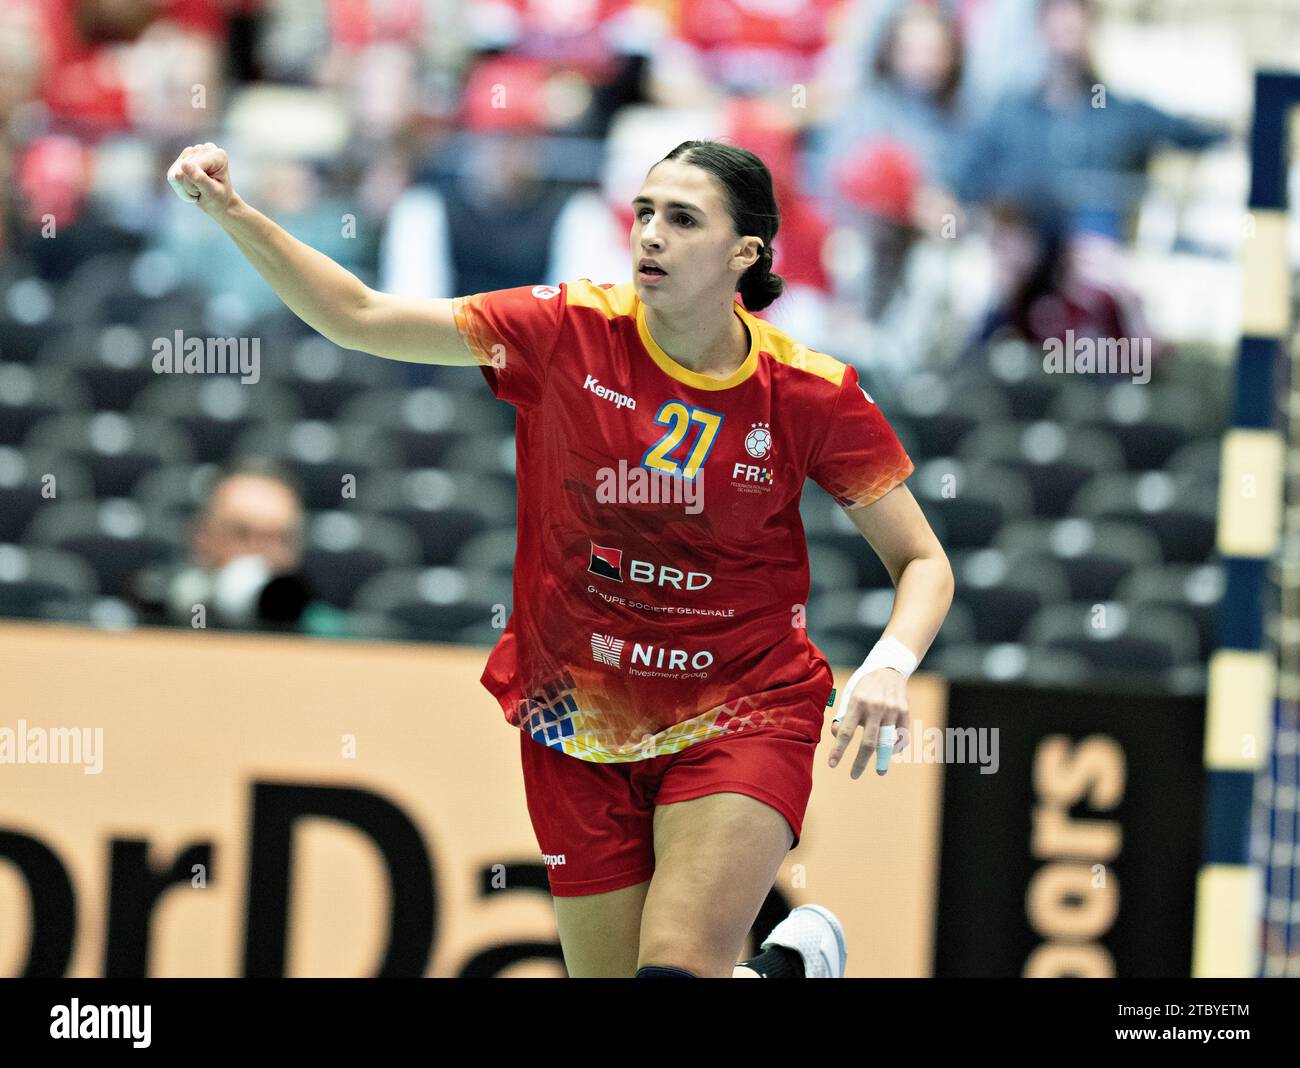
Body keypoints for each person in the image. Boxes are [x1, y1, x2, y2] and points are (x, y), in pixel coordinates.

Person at [166, 137, 954, 978]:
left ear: (744, 253)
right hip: (577, 717)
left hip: (742, 705)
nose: (650, 234)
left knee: (675, 972)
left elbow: (923, 563)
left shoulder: (808, 392)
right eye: (645, 211)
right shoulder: (563, 331)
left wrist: (888, 666)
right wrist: (234, 213)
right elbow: (358, 317)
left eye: (682, 219)